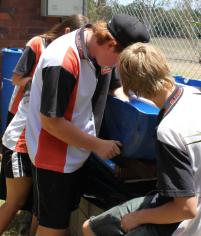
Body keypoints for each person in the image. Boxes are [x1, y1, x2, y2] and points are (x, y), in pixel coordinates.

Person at [25, 14, 150, 236]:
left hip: (73, 152)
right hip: (53, 157)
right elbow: (51, 122)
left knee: (51, 217)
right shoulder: (62, 60)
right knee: (54, 227)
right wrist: (97, 145)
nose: (116, 68)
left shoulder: (95, 49)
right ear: (111, 44)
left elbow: (114, 87)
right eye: (119, 61)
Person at [82, 43, 201, 236]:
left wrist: (138, 217)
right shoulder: (194, 94)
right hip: (174, 198)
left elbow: (186, 209)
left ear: (132, 87)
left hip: (183, 222)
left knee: (102, 228)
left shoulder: (169, 130)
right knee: (91, 228)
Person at [0, 14, 89, 235]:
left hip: (38, 143)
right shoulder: (45, 50)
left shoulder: (78, 63)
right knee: (17, 201)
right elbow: (16, 79)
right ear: (68, 33)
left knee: (41, 207)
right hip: (19, 141)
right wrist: (37, 82)